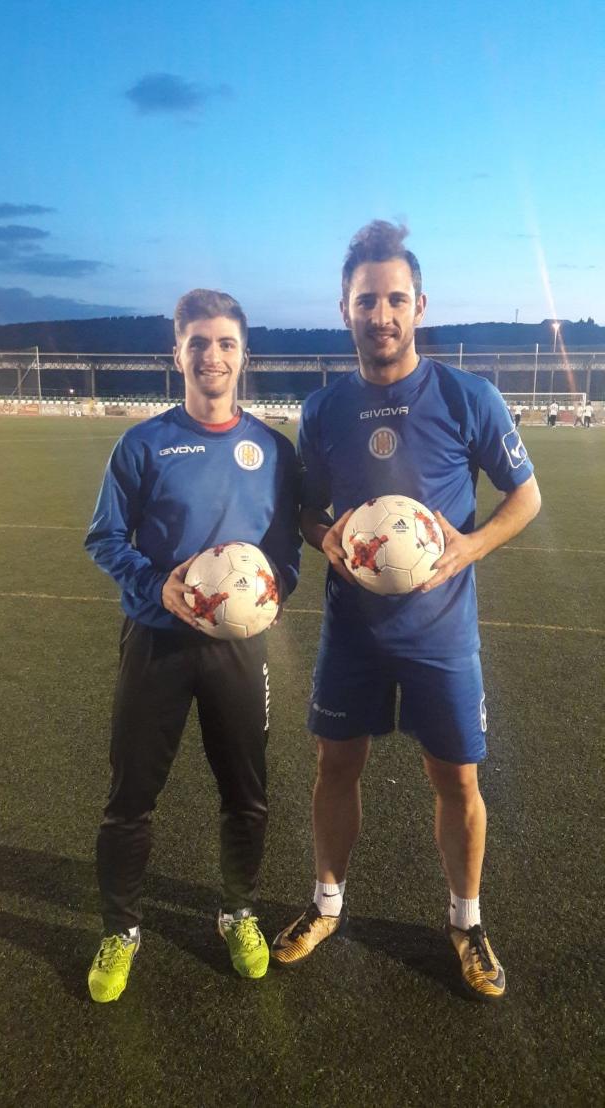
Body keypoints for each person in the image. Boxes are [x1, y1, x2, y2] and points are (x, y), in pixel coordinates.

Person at [270, 221, 541, 1001]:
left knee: (455, 779)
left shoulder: (465, 395)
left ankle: (466, 921)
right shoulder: (323, 410)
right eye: (366, 301)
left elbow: (525, 498)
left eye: (394, 299)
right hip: (351, 632)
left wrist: (466, 548)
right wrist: (330, 542)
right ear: (344, 310)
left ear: (418, 305)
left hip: (441, 635)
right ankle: (326, 905)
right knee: (335, 765)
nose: (381, 314)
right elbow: (305, 512)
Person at [84, 288, 301, 1001]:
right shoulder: (143, 444)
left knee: (247, 794)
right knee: (129, 796)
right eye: (198, 342)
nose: (213, 355)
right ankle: (120, 928)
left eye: (226, 343)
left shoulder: (274, 449)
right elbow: (105, 538)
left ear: (244, 355)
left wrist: (273, 596)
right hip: (156, 643)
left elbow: (286, 551)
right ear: (176, 352)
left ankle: (237, 910)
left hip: (238, 651)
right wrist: (158, 588)